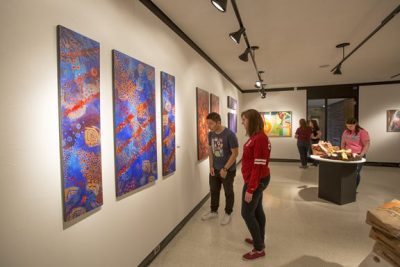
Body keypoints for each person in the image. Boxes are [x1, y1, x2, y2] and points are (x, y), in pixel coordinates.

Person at [240, 109, 271, 260]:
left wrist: (251, 189)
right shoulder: (256, 137)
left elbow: (258, 166)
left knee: (246, 213)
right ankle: (259, 239)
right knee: (257, 210)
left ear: (252, 121)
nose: (242, 123)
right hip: (254, 179)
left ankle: (259, 248)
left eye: (244, 120)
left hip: (256, 180)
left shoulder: (260, 139)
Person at [202, 112, 239, 225]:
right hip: (215, 168)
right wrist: (211, 166)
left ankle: (228, 213)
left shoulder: (230, 135)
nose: (209, 126)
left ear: (218, 122)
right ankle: (214, 211)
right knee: (213, 190)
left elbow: (235, 153)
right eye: (208, 123)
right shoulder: (211, 134)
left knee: (228, 191)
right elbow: (210, 151)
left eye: (211, 123)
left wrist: (225, 169)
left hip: (228, 170)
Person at [341, 118, 370, 188]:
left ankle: (353, 189)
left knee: (355, 173)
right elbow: (343, 142)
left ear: (355, 124)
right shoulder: (345, 132)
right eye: (347, 126)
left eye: (351, 126)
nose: (349, 128)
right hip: (348, 154)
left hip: (358, 155)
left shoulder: (362, 132)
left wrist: (362, 154)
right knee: (346, 172)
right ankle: (347, 188)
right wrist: (343, 151)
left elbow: (367, 144)